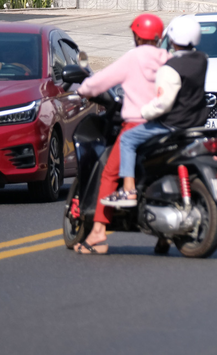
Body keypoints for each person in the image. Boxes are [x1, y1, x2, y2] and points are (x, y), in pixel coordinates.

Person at [73, 14, 171, 254]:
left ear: (137, 36)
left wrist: (83, 90)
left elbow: (100, 82)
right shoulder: (167, 58)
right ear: (158, 37)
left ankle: (98, 233)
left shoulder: (133, 57)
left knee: (109, 173)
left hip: (136, 126)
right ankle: (164, 235)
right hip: (165, 128)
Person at [102, 16, 210, 208]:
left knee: (127, 139)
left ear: (172, 38)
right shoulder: (202, 60)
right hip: (197, 123)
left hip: (171, 125)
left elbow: (164, 103)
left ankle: (128, 189)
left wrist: (144, 112)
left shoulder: (170, 68)